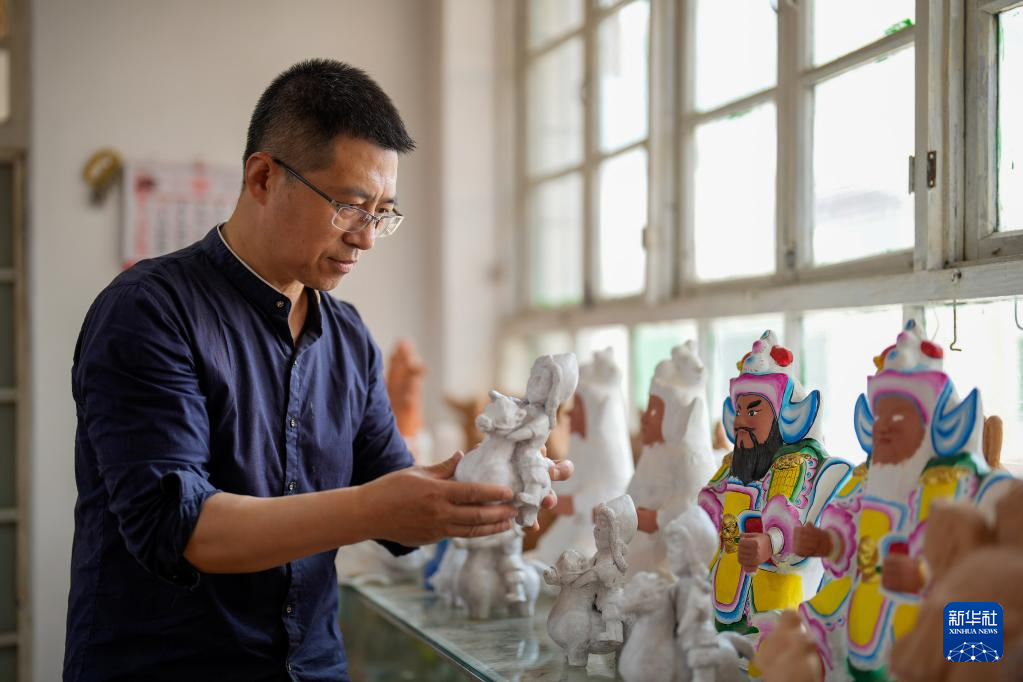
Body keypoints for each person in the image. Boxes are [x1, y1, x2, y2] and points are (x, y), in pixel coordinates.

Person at [64, 59, 572, 682]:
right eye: (350, 206)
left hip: (314, 667)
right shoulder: (149, 310)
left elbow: (397, 504)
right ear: (262, 177)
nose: (367, 238)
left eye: (382, 213)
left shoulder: (348, 336)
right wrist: (374, 509)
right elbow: (183, 528)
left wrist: (492, 478)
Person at [697, 330, 851, 635]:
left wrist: (770, 542)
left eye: (754, 410)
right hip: (722, 597)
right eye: (739, 410)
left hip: (773, 604)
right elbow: (709, 505)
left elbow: (797, 522)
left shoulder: (796, 464)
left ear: (782, 416)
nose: (741, 420)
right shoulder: (733, 464)